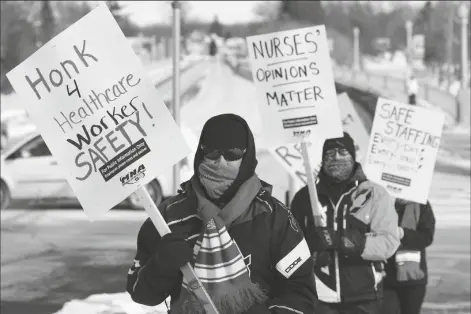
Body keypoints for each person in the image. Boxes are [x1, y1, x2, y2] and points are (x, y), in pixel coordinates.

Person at [126, 113, 315, 314]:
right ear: (200, 153)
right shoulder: (168, 216)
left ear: (247, 155)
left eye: (233, 153)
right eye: (212, 152)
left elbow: (301, 288)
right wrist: (160, 265)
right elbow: (140, 293)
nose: (221, 162)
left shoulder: (273, 216)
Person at [290, 132, 400, 314]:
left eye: (342, 152)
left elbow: (388, 242)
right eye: (330, 153)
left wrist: (341, 240)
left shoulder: (373, 194)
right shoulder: (305, 197)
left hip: (363, 297)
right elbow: (290, 244)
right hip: (318, 297)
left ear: (353, 156)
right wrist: (312, 250)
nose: (336, 158)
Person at [381, 198, 436, 314]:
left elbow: (426, 237)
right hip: (384, 276)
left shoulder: (421, 204)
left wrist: (403, 233)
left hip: (412, 279)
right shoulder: (379, 201)